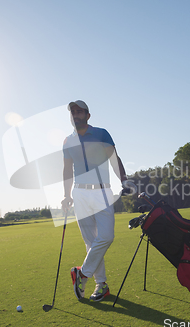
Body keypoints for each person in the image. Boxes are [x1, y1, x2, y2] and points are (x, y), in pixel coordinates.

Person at [61, 100, 136, 302]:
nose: (75, 115)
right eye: (73, 112)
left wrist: (124, 180)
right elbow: (67, 170)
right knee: (91, 242)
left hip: (102, 192)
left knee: (106, 237)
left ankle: (82, 274)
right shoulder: (68, 141)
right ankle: (101, 285)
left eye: (79, 111)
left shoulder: (102, 133)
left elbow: (114, 159)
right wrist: (67, 195)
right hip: (79, 193)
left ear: (88, 115)